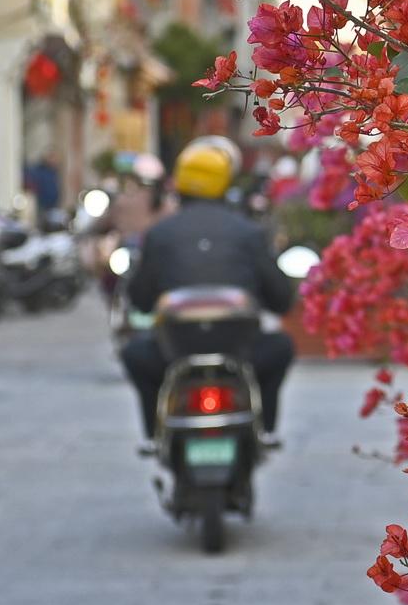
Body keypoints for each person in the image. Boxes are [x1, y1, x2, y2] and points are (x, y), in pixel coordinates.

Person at [120, 136, 296, 446]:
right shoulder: (249, 233)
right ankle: (266, 429)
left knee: (134, 354)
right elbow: (281, 298)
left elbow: (141, 300)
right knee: (281, 348)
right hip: (242, 355)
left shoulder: (160, 234)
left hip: (173, 356)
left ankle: (153, 433)